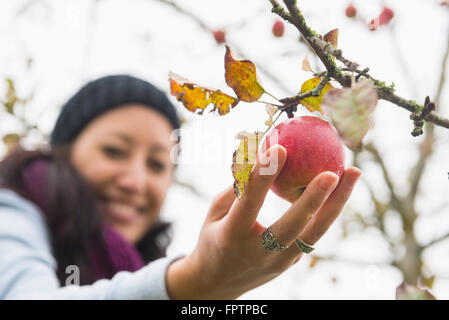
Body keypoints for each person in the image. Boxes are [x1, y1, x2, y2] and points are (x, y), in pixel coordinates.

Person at [0, 74, 361, 299]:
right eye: (114, 151)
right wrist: (192, 284)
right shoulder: (11, 212)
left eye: (157, 164)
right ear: (65, 154)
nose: (135, 181)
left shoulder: (140, 266)